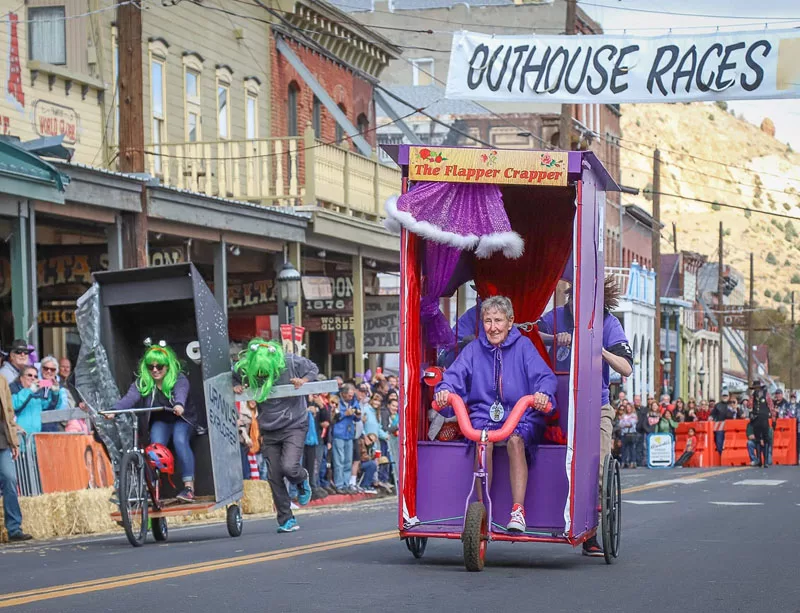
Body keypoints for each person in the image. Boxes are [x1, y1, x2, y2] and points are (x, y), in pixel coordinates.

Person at [435, 295, 557, 533]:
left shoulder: (524, 347)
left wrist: (542, 393)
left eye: (498, 320)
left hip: (520, 414)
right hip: (483, 413)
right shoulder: (473, 349)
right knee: (483, 442)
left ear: (510, 322)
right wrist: (445, 390)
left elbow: (545, 377)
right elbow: (454, 375)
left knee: (515, 440)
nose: (493, 327)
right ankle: (482, 509)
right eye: (488, 321)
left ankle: (518, 510)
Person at [538, 277, 633, 557]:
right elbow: (526, 335)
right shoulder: (555, 317)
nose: (576, 303)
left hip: (596, 403)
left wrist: (598, 350)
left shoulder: (609, 323)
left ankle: (591, 533)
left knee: (598, 464)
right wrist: (554, 339)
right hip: (556, 399)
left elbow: (626, 368)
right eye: (573, 298)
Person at [234, 339, 319, 533]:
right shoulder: (246, 366)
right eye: (259, 375)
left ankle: (301, 478)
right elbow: (232, 375)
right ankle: (286, 519)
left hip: (294, 424)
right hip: (269, 427)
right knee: (274, 475)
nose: (262, 377)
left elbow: (312, 368)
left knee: (289, 466)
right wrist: (237, 384)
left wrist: (303, 381)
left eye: (266, 374)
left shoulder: (289, 362)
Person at [112, 343, 198, 502]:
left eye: (159, 366)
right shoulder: (143, 382)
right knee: (154, 447)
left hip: (182, 419)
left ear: (167, 366)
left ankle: (188, 488)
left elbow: (181, 392)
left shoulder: (179, 378)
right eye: (150, 367)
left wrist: (179, 404)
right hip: (161, 420)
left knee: (180, 440)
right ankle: (154, 489)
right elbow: (129, 399)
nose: (155, 370)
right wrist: (114, 410)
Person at [0, 373, 32, 541]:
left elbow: (9, 412)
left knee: (10, 478)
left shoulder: (2, 380)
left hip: (2, 439)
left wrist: (14, 442)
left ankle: (14, 528)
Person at [331, 383, 359, 494]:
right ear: (343, 393)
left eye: (352, 395)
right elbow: (333, 418)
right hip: (339, 433)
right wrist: (344, 413)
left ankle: (347, 484)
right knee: (339, 461)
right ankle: (339, 485)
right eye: (349, 395)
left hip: (349, 434)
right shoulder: (336, 401)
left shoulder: (353, 402)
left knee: (348, 461)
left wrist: (357, 415)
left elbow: (357, 417)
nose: (351, 397)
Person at [11, 366, 49, 436]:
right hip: (19, 435)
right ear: (21, 378)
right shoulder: (13, 388)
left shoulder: (38, 392)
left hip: (35, 435)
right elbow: (15, 405)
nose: (33, 378)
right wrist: (29, 390)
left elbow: (48, 406)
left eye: (36, 376)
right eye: (29, 375)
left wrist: (55, 393)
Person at [38, 356, 69, 433]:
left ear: (56, 372)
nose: (49, 371)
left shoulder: (61, 388)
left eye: (52, 369)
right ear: (41, 369)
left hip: (54, 425)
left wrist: (55, 392)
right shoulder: (34, 383)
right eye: (46, 368)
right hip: (37, 424)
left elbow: (62, 409)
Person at [749, 381, 772, 468]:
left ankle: (765, 461)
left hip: (764, 418)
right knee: (757, 439)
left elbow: (771, 405)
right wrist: (751, 396)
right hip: (756, 419)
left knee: (766, 439)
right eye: (755, 388)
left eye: (757, 388)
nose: (756, 389)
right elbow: (749, 405)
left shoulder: (766, 394)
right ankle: (759, 460)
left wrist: (773, 418)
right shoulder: (753, 395)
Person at [619, 403, 638, 468]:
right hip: (624, 434)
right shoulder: (623, 415)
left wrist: (625, 423)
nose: (628, 409)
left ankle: (632, 462)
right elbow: (620, 424)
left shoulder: (634, 415)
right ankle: (623, 462)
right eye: (627, 407)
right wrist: (626, 424)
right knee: (624, 449)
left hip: (632, 433)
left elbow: (632, 423)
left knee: (632, 449)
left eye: (629, 407)